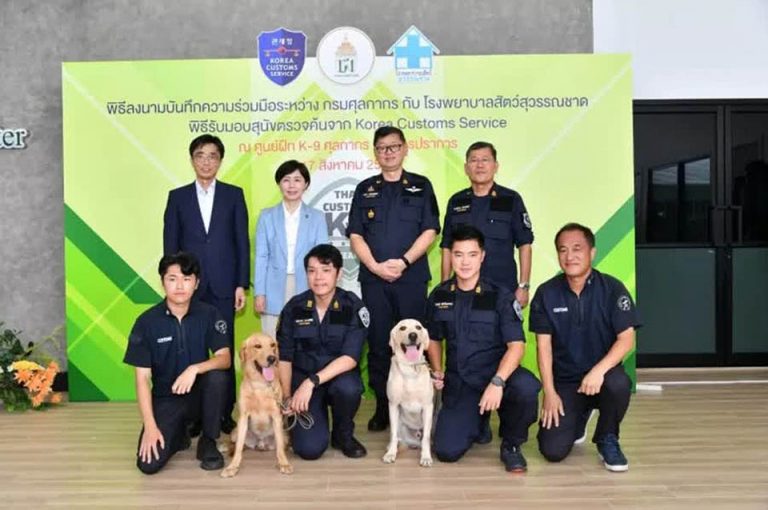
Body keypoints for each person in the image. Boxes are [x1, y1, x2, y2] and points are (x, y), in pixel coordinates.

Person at [346, 126, 441, 431]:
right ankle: (383, 406)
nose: (388, 152)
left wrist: (403, 262)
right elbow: (356, 235)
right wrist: (375, 267)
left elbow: (430, 230)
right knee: (378, 343)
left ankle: (417, 406)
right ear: (375, 152)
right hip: (374, 281)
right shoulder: (365, 189)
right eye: (382, 148)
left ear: (404, 149)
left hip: (411, 278)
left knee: (415, 342)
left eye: (394, 146)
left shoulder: (421, 186)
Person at [424, 225, 541, 472]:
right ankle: (479, 421)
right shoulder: (440, 295)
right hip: (461, 380)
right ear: (450, 256)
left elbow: (517, 346)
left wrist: (497, 382)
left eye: (472, 254)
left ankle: (511, 444)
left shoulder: (500, 296)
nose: (465, 262)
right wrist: (436, 370)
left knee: (527, 387)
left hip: (498, 374)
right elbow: (433, 338)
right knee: (446, 451)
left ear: (482, 256)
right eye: (458, 254)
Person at [439, 141, 534, 443]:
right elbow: (446, 247)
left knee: (505, 349)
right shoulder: (457, 202)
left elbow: (525, 244)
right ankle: (475, 416)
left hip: (501, 294)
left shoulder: (510, 199)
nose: (479, 165)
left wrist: (524, 285)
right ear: (466, 167)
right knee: (465, 350)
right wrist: (445, 285)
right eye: (473, 160)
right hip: (463, 293)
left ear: (496, 165)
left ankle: (507, 423)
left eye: (485, 160)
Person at [529, 223, 640, 472]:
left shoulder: (612, 289)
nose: (570, 256)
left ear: (592, 252)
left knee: (619, 383)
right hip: (566, 382)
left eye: (577, 249)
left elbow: (626, 339)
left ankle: (607, 437)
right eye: (563, 250)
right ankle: (579, 416)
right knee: (552, 451)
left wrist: (598, 371)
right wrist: (549, 392)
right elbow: (543, 348)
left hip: (603, 378)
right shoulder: (546, 293)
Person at [163, 134, 249, 429]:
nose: (206, 161)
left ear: (220, 161)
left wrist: (241, 283)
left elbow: (241, 242)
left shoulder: (233, 195)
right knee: (191, 349)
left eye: (212, 156)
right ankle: (195, 414)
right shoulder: (177, 197)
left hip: (225, 286)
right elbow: (171, 246)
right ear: (192, 160)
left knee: (224, 349)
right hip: (190, 289)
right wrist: (175, 285)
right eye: (200, 155)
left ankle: (224, 413)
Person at [123, 252, 232, 474]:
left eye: (187, 278)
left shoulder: (209, 314)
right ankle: (179, 434)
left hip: (200, 396)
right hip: (166, 399)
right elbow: (142, 380)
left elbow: (225, 358)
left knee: (217, 377)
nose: (180, 286)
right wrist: (150, 427)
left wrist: (195, 369)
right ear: (162, 282)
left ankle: (208, 440)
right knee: (148, 465)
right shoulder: (146, 322)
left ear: (196, 283)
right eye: (172, 279)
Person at [276, 244, 369, 460]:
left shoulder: (353, 306)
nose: (318, 277)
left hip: (337, 378)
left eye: (326, 270)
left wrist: (312, 382)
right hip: (303, 378)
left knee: (349, 388)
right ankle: (315, 424)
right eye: (312, 271)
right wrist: (288, 396)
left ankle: (342, 434)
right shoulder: (294, 307)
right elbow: (285, 356)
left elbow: (350, 358)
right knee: (309, 450)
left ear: (339, 274)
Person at [254, 160, 328, 340]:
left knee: (305, 339)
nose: (292, 185)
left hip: (307, 284)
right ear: (279, 184)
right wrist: (260, 293)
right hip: (273, 287)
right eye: (286, 180)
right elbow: (262, 257)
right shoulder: (266, 216)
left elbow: (323, 258)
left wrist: (322, 291)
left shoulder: (317, 218)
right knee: (271, 341)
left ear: (306, 184)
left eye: (297, 180)